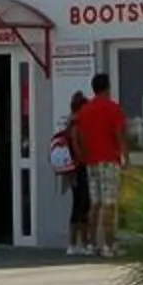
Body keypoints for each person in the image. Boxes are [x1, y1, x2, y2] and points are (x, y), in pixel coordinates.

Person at [76, 73, 129, 259]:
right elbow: (120, 134)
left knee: (95, 203)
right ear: (107, 87)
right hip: (109, 160)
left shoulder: (85, 111)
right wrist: (125, 157)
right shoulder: (113, 108)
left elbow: (80, 137)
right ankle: (108, 245)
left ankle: (91, 244)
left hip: (91, 162)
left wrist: (85, 156)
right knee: (109, 203)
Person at [52, 93, 91, 257]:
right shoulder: (76, 124)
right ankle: (76, 243)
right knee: (81, 204)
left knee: (81, 204)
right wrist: (84, 160)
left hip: (73, 168)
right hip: (78, 168)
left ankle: (79, 242)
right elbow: (77, 146)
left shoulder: (71, 123)